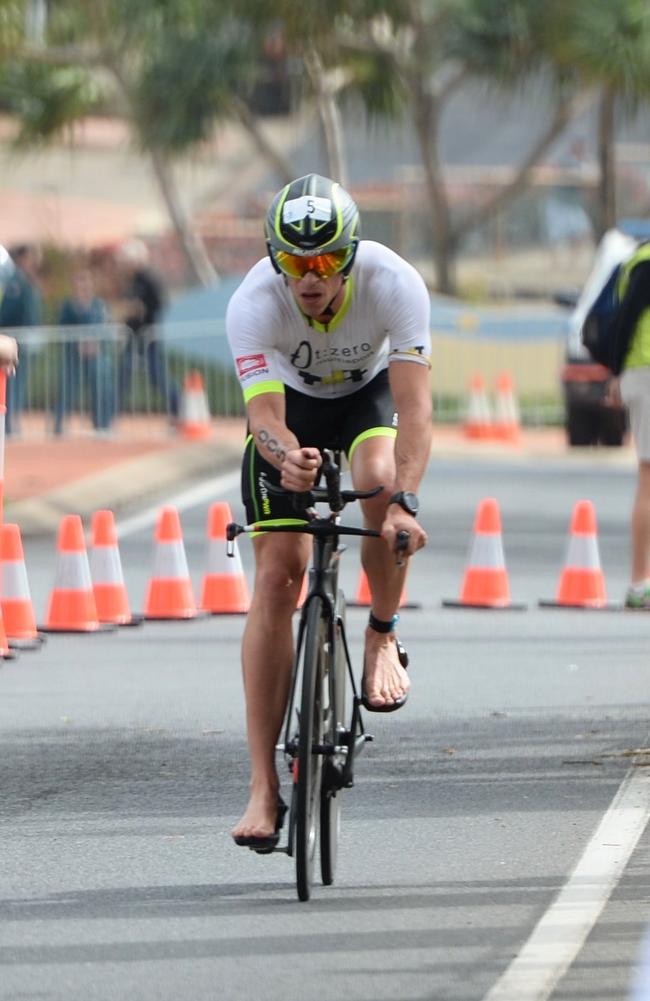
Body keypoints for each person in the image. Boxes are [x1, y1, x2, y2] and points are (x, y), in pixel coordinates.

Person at [226, 174, 432, 849]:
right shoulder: (254, 301)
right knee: (278, 575)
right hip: (291, 411)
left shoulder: (394, 284)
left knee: (377, 483)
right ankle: (263, 784)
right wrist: (284, 456)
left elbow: (416, 408)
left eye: (321, 262)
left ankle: (379, 632)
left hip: (368, 400)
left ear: (347, 255)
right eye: (292, 262)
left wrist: (404, 499)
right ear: (273, 258)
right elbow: (263, 416)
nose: (307, 277)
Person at [608, 241, 650, 608]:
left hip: (640, 372)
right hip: (648, 372)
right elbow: (627, 322)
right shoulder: (646, 263)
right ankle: (639, 582)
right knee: (649, 477)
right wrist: (617, 375)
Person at [114, 239, 179, 420]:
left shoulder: (149, 279)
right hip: (135, 335)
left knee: (156, 375)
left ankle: (179, 409)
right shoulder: (134, 280)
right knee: (123, 374)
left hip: (149, 336)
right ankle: (111, 415)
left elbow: (150, 307)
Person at [54, 266, 114, 436]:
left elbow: (106, 327)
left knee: (101, 389)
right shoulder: (68, 306)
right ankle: (58, 426)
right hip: (73, 356)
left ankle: (102, 424)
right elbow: (62, 329)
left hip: (96, 356)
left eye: (86, 280)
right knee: (66, 389)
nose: (83, 285)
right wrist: (77, 343)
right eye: (79, 281)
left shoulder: (99, 304)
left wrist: (97, 344)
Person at [0, 244, 42, 434]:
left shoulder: (27, 280)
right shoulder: (12, 280)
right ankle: (7, 424)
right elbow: (8, 311)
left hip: (23, 342)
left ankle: (11, 422)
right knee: (11, 384)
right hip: (12, 339)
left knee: (19, 383)